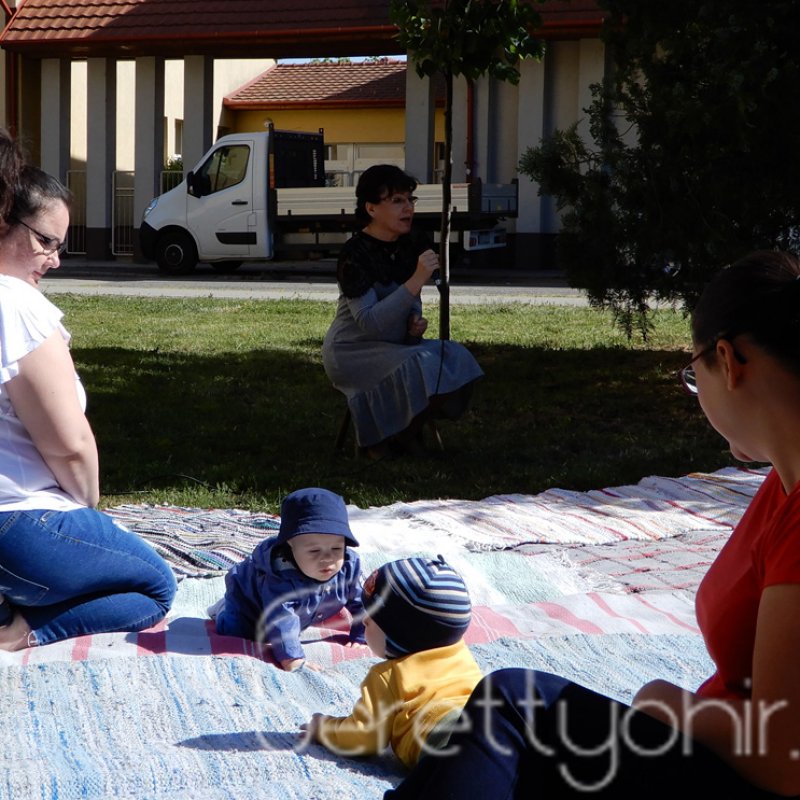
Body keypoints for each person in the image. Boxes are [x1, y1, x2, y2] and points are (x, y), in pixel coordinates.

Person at [385, 250, 800, 799]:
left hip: (745, 775)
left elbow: (781, 757)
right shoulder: (783, 484)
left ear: (727, 360)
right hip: (717, 756)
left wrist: (665, 704)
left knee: (516, 704)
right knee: (506, 735)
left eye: (692, 375)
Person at [0, 135, 177, 651]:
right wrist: (88, 510)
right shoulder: (16, 304)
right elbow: (68, 444)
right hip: (20, 526)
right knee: (154, 585)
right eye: (45, 241)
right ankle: (21, 632)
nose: (55, 259)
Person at [322, 164, 483, 458]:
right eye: (397, 201)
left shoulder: (410, 245)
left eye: (410, 200)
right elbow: (370, 323)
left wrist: (413, 323)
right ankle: (382, 440)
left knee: (456, 356)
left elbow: (412, 301)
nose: (408, 207)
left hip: (396, 345)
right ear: (371, 208)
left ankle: (401, 434)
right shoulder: (354, 254)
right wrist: (416, 279)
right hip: (353, 351)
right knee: (423, 362)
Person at [301, 555, 483, 767]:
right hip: (486, 719)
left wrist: (324, 728)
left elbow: (363, 737)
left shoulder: (389, 676)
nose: (364, 620)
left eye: (372, 619)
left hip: (442, 737)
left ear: (400, 635)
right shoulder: (460, 653)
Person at [212, 487, 366, 671]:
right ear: (289, 545)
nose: (327, 558)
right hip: (250, 604)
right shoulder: (281, 576)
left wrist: (362, 636)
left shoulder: (349, 567)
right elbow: (281, 619)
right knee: (238, 632)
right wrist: (292, 658)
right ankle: (222, 609)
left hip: (303, 610)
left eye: (336, 549)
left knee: (295, 623)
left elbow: (363, 603)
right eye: (314, 551)